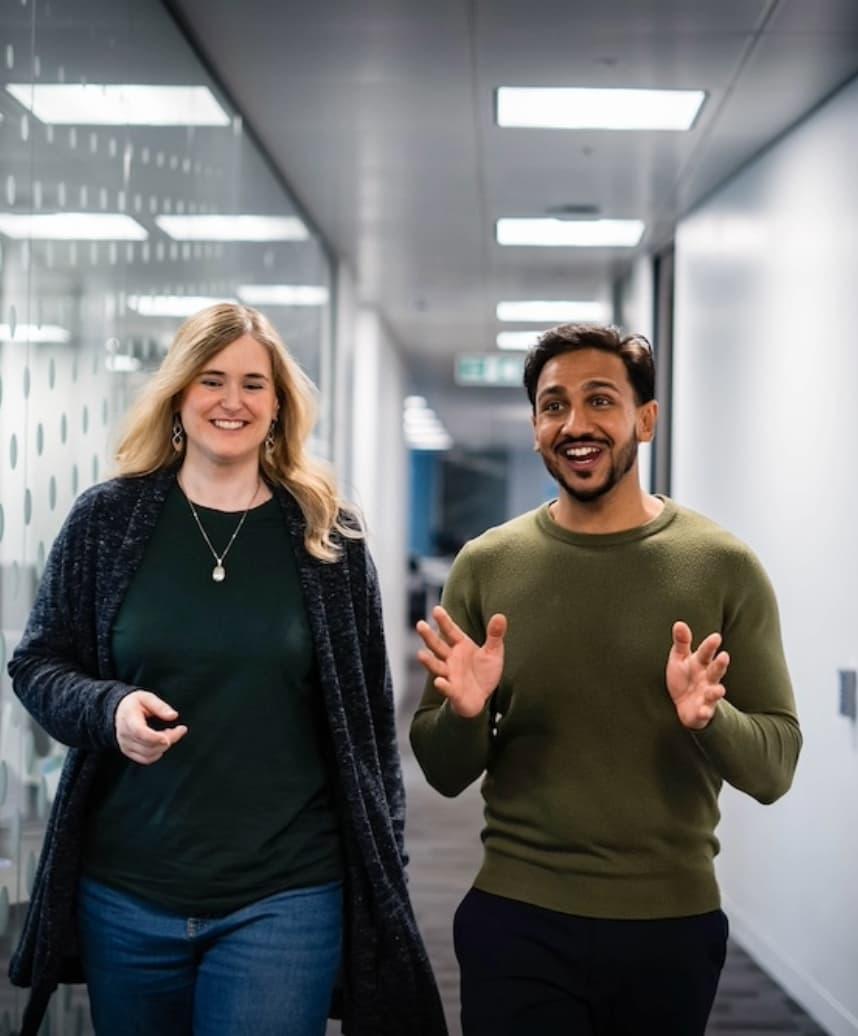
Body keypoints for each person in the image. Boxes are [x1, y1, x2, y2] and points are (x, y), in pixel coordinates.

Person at [8, 303, 447, 1036]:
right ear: (180, 395)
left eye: (253, 383)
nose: (232, 401)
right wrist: (107, 710)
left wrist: (386, 874)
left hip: (285, 895)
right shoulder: (107, 520)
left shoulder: (327, 538)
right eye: (211, 380)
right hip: (127, 893)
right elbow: (37, 662)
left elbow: (369, 729)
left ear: (278, 407)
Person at [410, 323, 801, 1036]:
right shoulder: (486, 564)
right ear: (534, 427)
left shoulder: (721, 565)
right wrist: (466, 714)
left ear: (644, 420)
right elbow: (440, 772)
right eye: (554, 405)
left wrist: (711, 719)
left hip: (670, 922)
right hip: (516, 914)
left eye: (600, 401)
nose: (576, 424)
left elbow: (775, 767)